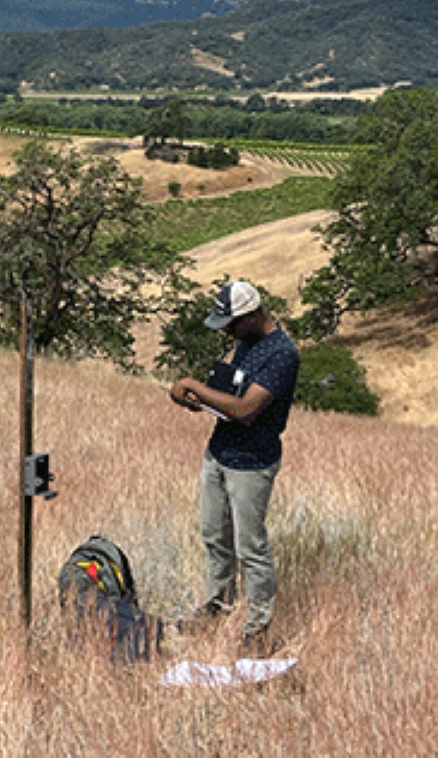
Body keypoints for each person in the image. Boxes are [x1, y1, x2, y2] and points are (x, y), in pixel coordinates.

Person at [168, 279, 299, 651]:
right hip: (220, 452)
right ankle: (217, 607)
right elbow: (230, 394)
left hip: (251, 462)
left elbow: (245, 410)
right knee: (215, 537)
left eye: (231, 324)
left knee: (251, 547)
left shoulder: (282, 354)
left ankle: (257, 629)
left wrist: (192, 384)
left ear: (253, 314)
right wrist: (200, 400)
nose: (227, 332)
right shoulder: (245, 344)